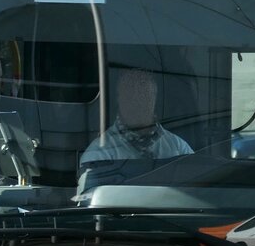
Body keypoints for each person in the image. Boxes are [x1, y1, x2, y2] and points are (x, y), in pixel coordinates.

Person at [78, 68, 191, 196]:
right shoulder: (98, 155)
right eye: (130, 95)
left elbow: (197, 193)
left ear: (154, 98)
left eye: (144, 95)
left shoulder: (180, 148)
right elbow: (90, 208)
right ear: (119, 100)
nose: (138, 102)